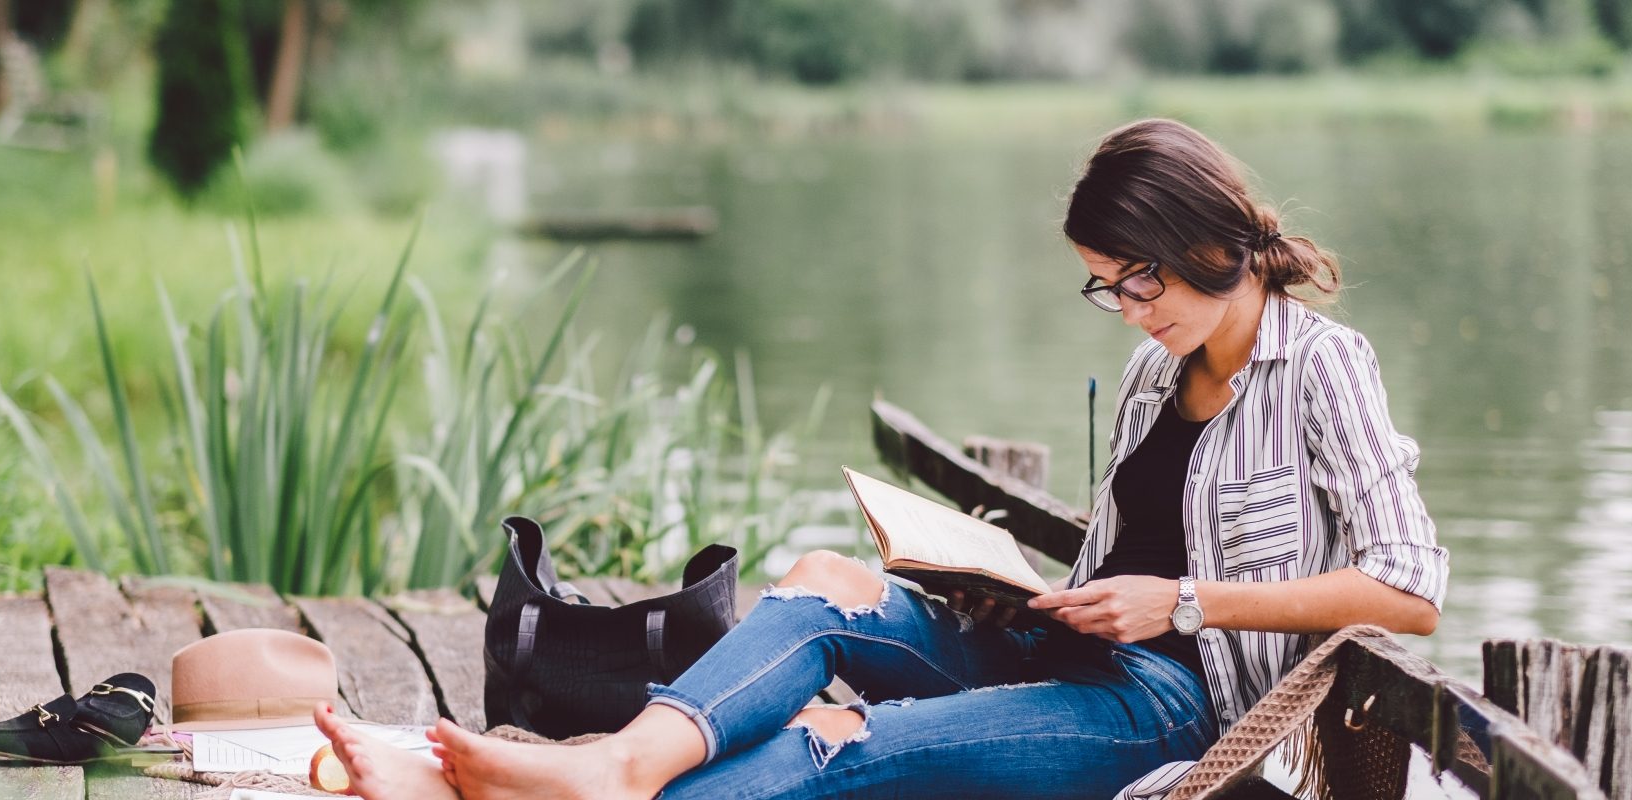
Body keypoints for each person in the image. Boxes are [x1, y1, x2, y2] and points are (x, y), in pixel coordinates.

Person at [310, 117, 1451, 800]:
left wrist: (1188, 601)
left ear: (1202, 244)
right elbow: (1127, 561)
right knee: (825, 580)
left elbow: (1409, 588)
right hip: (1079, 654)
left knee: (842, 738)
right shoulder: (1163, 367)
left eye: (1133, 279)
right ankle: (615, 767)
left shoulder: (1322, 366)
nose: (1124, 309)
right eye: (1106, 285)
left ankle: (557, 783)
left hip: (1174, 709)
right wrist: (1020, 597)